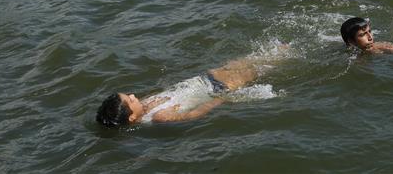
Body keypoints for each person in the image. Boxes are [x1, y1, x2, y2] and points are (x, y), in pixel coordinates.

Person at [95, 51, 286, 128]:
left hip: (207, 78)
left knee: (267, 55)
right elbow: (195, 114)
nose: (133, 95)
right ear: (131, 118)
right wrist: (224, 99)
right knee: (272, 62)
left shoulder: (143, 107)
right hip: (221, 87)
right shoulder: (159, 117)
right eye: (130, 100)